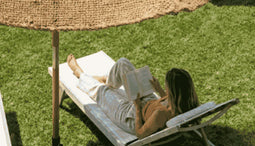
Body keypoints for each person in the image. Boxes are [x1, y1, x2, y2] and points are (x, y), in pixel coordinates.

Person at [67, 54, 199, 138]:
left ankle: (80, 74)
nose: (165, 88)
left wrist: (136, 107)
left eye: (166, 86)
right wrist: (158, 90)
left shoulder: (160, 114)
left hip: (131, 116)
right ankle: (108, 80)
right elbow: (170, 105)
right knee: (123, 63)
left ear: (173, 91)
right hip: (149, 101)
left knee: (102, 92)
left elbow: (140, 134)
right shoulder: (185, 104)